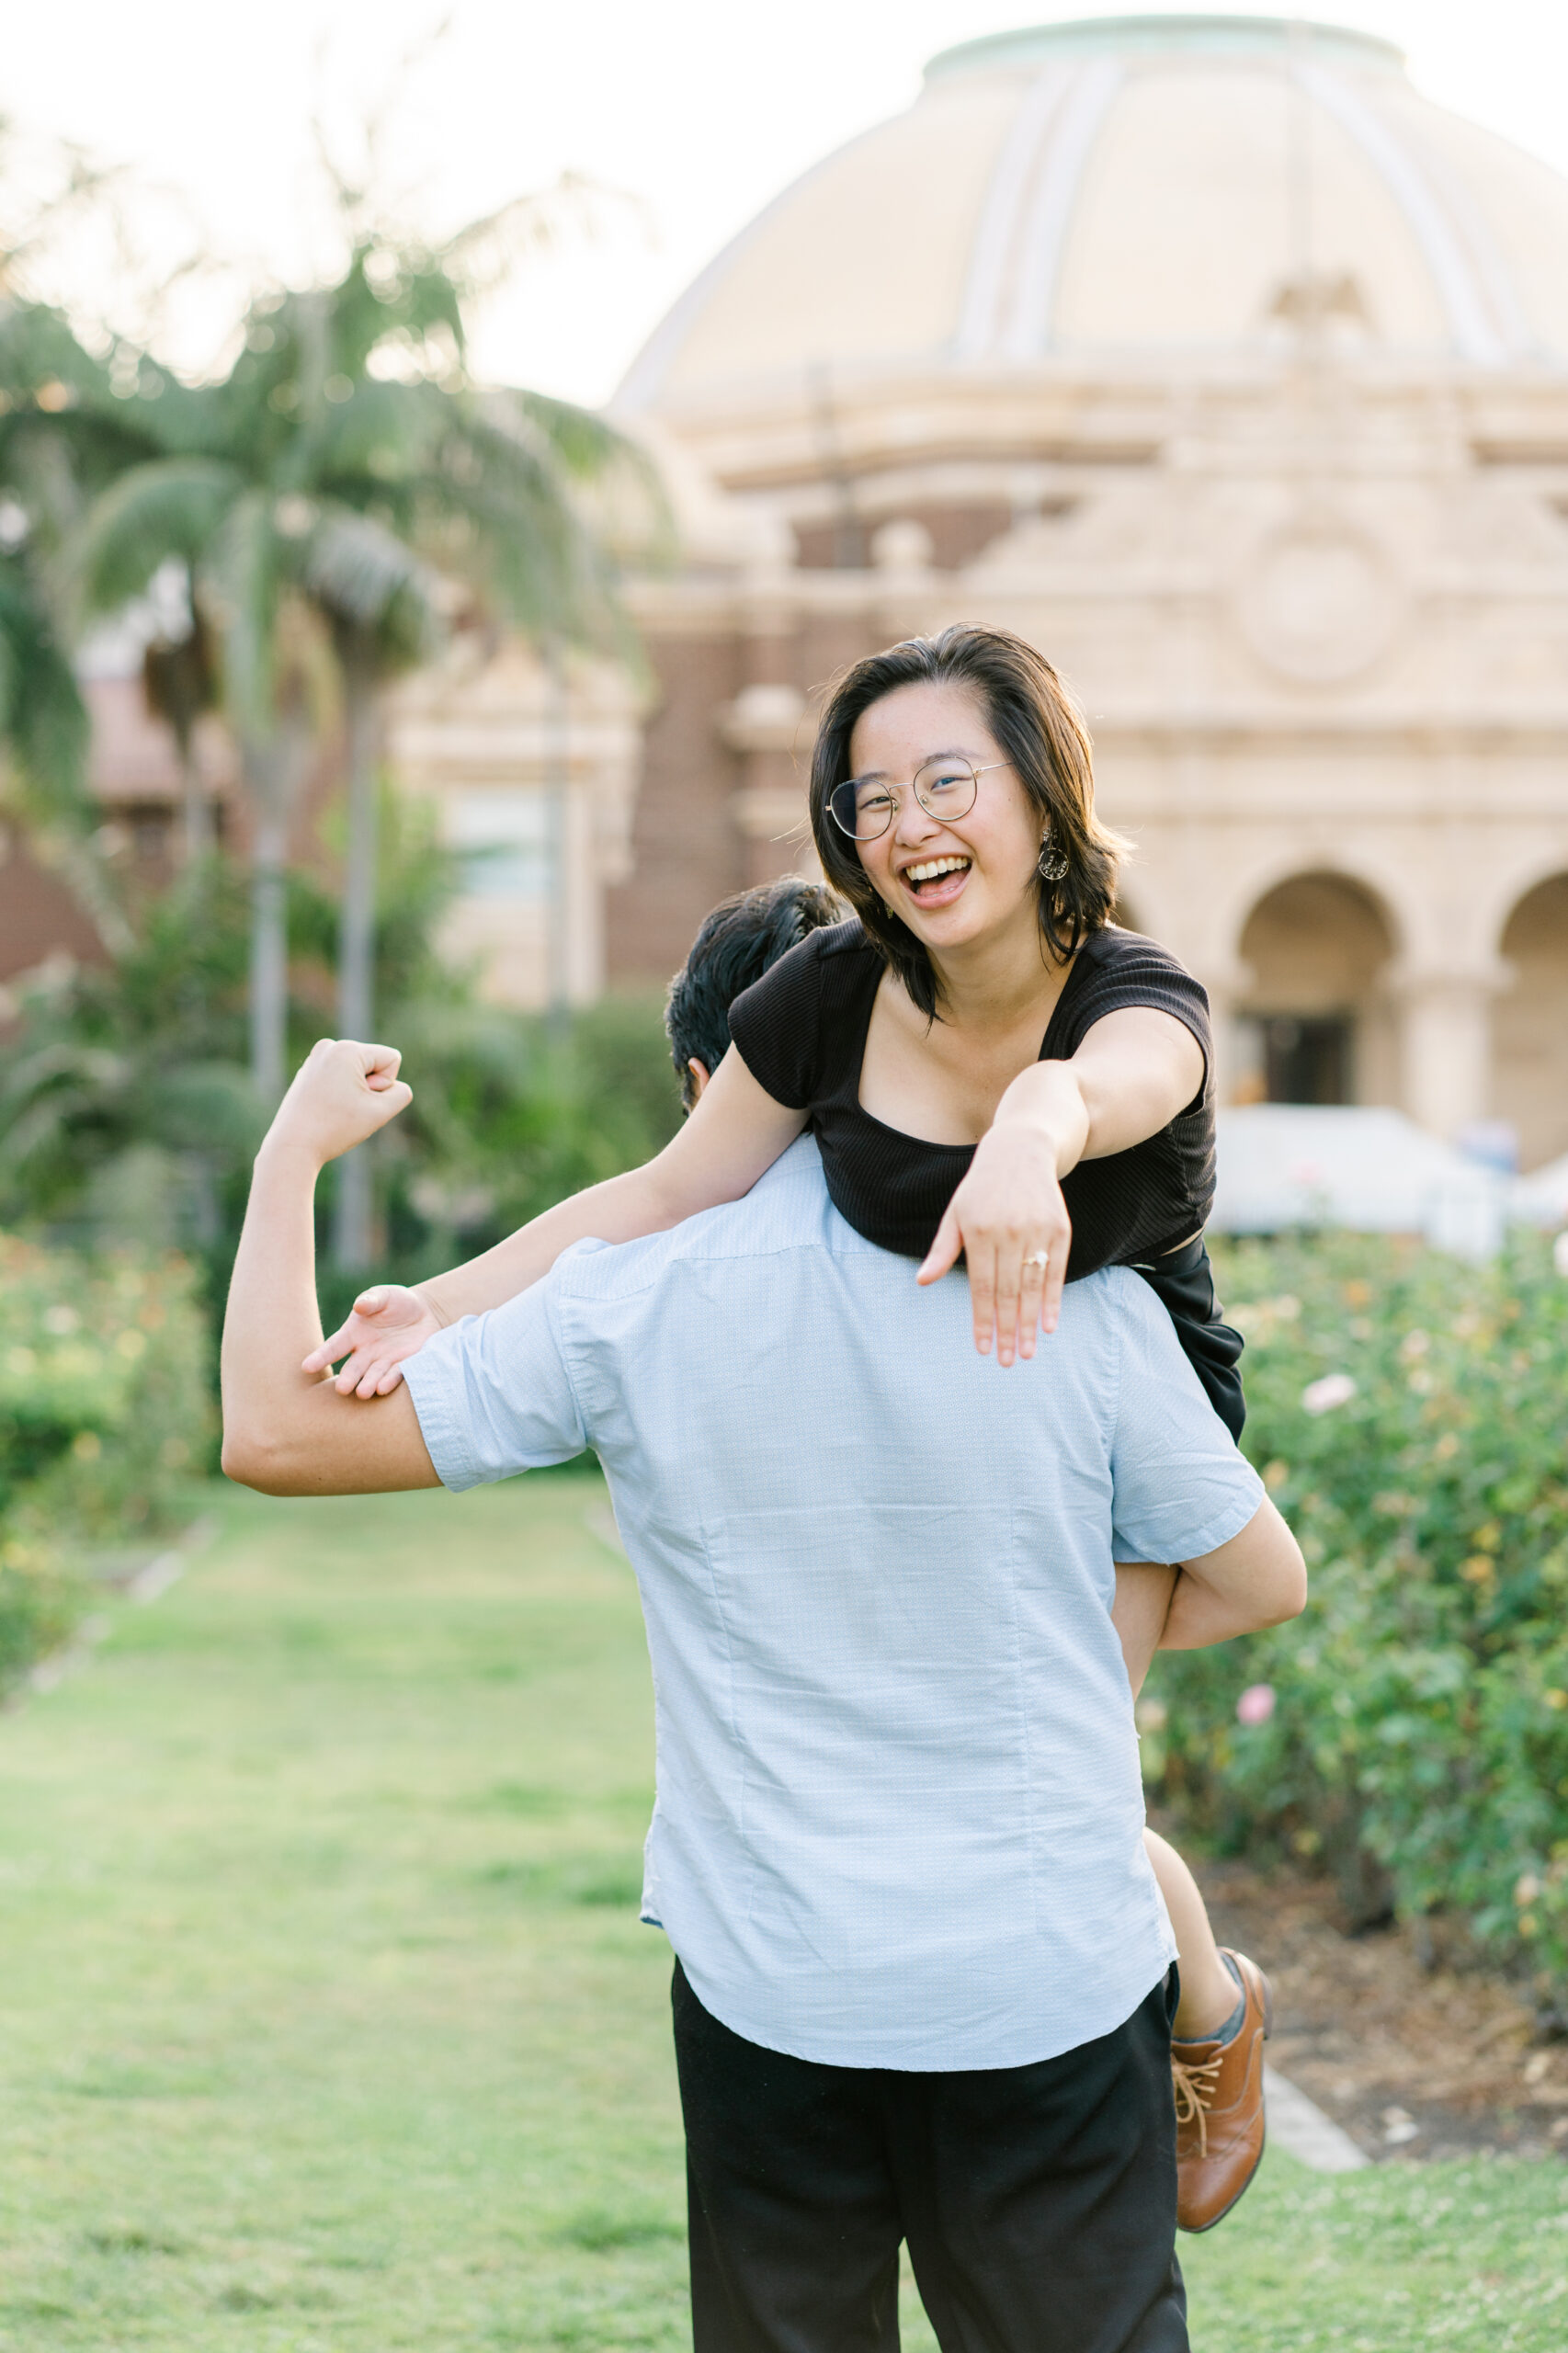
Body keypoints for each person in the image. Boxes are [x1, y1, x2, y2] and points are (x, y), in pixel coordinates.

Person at [302, 627, 1271, 2224]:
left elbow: (1106, 1089)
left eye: (946, 779)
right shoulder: (828, 992)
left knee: (1060, 1786)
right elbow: (665, 1187)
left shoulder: (1133, 991)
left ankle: (1207, 2018)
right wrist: (450, 1302)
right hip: (933, 1391)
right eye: (868, 797)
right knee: (976, 1776)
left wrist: (1032, 1130)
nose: (905, 823)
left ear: (1040, 793)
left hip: (1113, 1405)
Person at [222, 1033, 1306, 2353]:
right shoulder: (1074, 1288)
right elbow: (1260, 1583)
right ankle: (1209, 1999)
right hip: (1042, 1980)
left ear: (703, 1093)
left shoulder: (627, 1300)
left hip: (772, 1983)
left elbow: (274, 1435)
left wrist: (292, 1157)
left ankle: (1206, 1992)